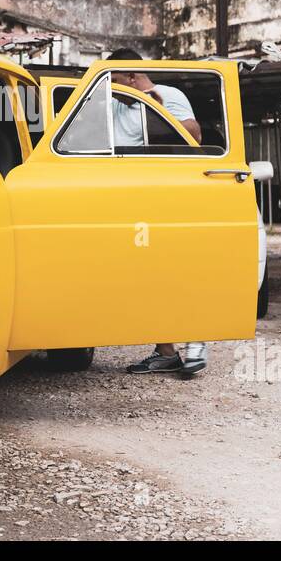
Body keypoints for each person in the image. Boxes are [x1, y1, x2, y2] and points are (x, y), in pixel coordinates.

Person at [104, 48, 207, 377]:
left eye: (117, 80)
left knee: (174, 270)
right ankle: (165, 351)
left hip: (163, 197)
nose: (112, 88)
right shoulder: (115, 104)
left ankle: (195, 342)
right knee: (143, 277)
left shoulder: (168, 96)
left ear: (133, 77)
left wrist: (156, 109)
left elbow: (194, 135)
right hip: (127, 198)